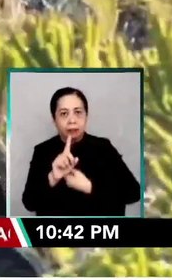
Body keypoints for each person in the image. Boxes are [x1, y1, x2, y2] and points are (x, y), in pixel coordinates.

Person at [20, 87, 142, 217]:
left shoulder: (104, 148)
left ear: (86, 116)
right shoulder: (42, 151)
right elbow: (29, 203)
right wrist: (53, 177)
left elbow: (133, 193)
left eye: (78, 112)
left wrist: (89, 187)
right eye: (64, 113)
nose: (72, 120)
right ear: (54, 120)